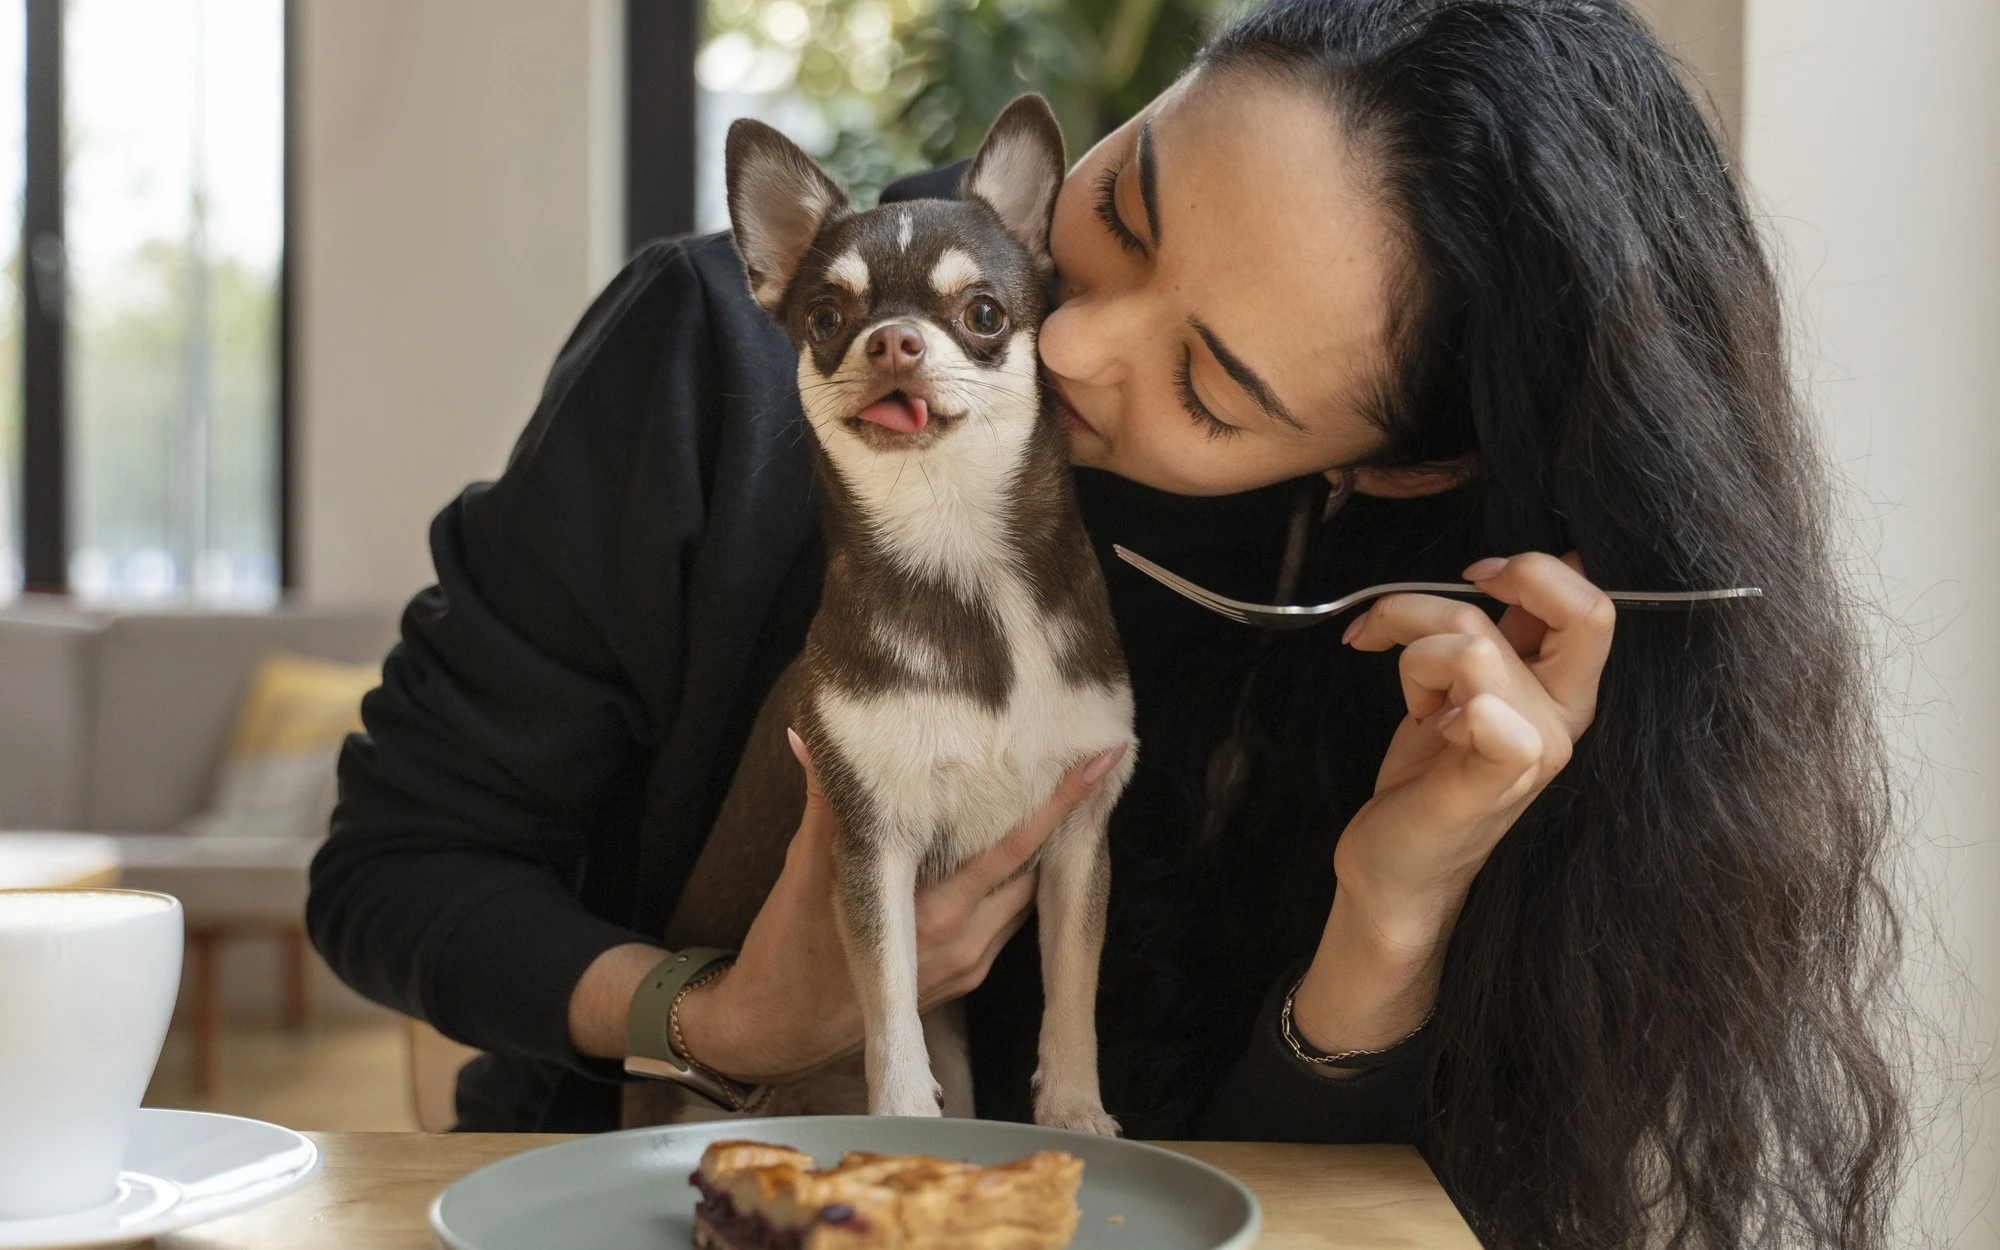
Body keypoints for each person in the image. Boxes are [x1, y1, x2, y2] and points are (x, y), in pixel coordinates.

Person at [308, 0, 1905, 1245]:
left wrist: (1393, 911)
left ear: (1396, 467)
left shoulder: (1368, 637)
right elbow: (396, 871)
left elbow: (1271, 1206)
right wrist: (715, 1011)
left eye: (1210, 387)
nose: (1075, 349)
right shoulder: (717, 374)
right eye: (1124, 205)